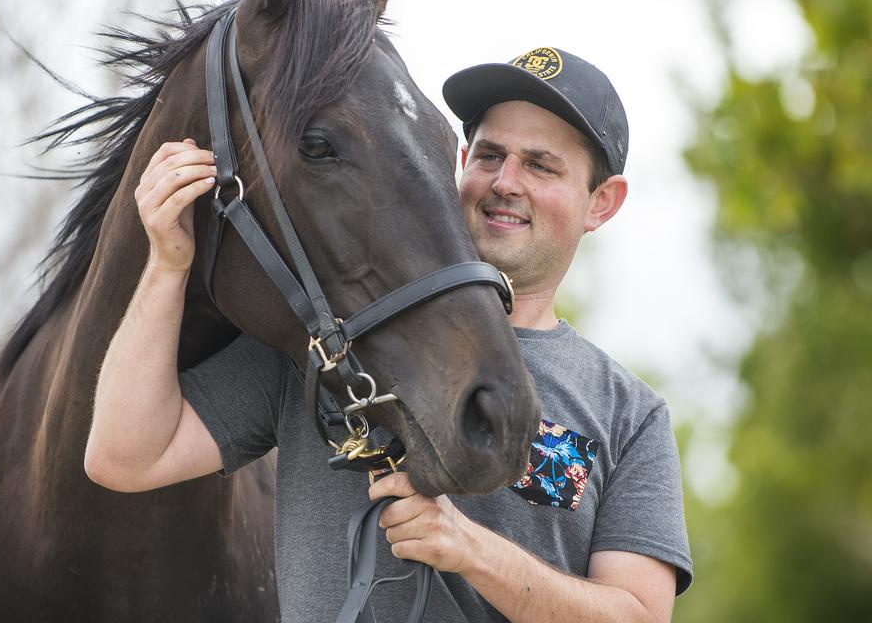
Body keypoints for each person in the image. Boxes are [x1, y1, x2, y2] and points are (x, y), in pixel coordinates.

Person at [84, 45, 692, 622]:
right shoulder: (331, 342)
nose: (506, 180)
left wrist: (468, 550)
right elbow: (125, 455)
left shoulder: (629, 415)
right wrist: (166, 264)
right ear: (460, 165)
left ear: (602, 203)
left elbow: (638, 614)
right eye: (489, 155)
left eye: (541, 165)